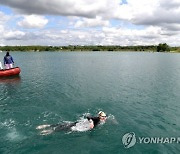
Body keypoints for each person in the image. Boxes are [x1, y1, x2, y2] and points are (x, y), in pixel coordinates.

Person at [36, 111, 107, 135]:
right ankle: (49, 130)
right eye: (103, 116)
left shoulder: (101, 119)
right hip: (78, 126)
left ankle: (47, 126)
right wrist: (91, 123)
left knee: (64, 125)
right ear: (99, 116)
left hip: (79, 124)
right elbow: (88, 116)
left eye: (105, 116)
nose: (104, 117)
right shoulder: (97, 119)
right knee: (65, 128)